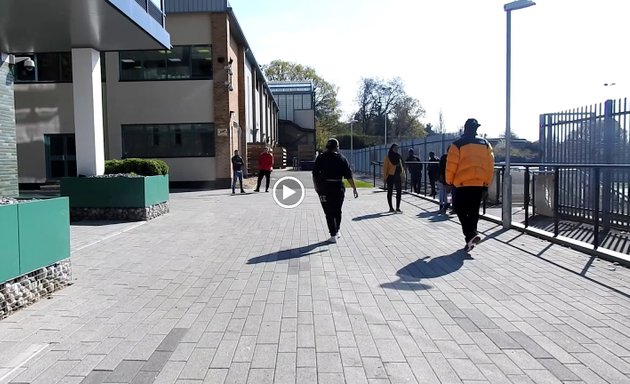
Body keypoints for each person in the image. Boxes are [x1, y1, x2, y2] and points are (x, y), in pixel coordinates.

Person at [446, 118, 495, 251]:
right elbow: (490, 166)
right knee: (474, 211)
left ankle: (471, 234)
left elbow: (451, 166)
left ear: (465, 128)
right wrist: (486, 183)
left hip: (461, 184)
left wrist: (449, 181)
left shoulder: (457, 144)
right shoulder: (485, 144)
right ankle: (470, 239)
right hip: (479, 184)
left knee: (459, 209)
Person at [312, 138, 358, 243]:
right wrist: (354, 188)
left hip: (324, 187)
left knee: (328, 212)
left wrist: (316, 186)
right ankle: (336, 231)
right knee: (337, 210)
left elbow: (314, 174)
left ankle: (333, 233)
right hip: (338, 187)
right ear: (337, 147)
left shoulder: (321, 157)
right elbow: (348, 176)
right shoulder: (342, 159)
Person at [383, 144, 405, 213]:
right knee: (390, 191)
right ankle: (391, 207)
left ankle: (398, 207)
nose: (396, 149)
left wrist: (403, 175)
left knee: (399, 191)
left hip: (398, 175)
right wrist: (384, 178)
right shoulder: (388, 157)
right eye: (395, 148)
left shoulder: (399, 157)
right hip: (390, 176)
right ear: (392, 148)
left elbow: (402, 166)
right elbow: (385, 169)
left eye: (397, 148)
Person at [438, 147, 450, 213]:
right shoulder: (453, 158)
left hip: (445, 177)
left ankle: (443, 206)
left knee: (443, 193)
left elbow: (440, 168)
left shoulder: (444, 157)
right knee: (447, 193)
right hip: (448, 178)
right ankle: (445, 206)